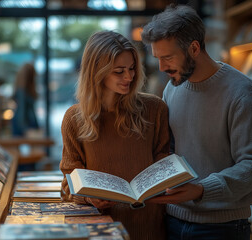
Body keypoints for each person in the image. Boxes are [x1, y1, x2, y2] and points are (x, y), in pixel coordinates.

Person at [141, 4, 252, 240]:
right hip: (171, 220)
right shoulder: (172, 89)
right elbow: (171, 150)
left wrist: (201, 190)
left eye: (168, 57)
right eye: (157, 58)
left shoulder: (244, 94)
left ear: (193, 48)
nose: (162, 68)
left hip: (221, 227)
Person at [59, 31, 170, 240]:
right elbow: (69, 183)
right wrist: (89, 197)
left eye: (131, 69)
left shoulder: (155, 109)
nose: (129, 77)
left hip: (149, 227)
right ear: (97, 72)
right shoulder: (74, 118)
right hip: (100, 230)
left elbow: (163, 158)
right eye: (119, 71)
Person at [11, 63, 39, 137]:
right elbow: (22, 110)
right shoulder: (23, 91)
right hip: (23, 123)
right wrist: (24, 128)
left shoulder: (23, 89)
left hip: (23, 122)